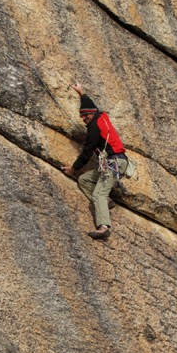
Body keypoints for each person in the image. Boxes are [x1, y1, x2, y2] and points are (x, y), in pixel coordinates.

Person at [62, 82, 127, 240]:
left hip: (114, 163)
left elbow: (87, 152)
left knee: (98, 193)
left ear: (92, 113)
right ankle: (106, 201)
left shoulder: (95, 128)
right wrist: (81, 93)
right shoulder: (99, 117)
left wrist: (73, 168)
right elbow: (90, 105)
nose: (83, 118)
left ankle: (104, 227)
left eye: (86, 115)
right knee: (84, 179)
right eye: (82, 116)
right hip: (112, 164)